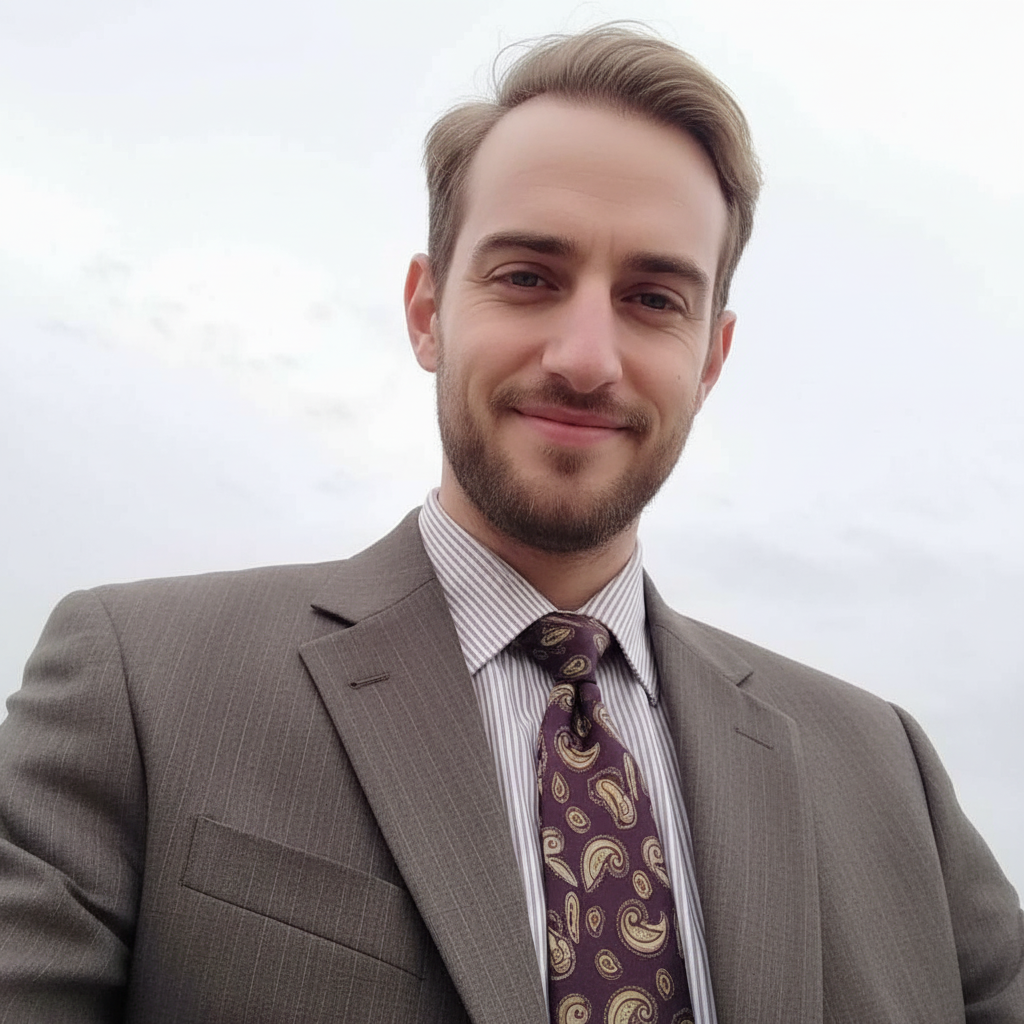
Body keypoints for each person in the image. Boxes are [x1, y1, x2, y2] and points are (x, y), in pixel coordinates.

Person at [0, 25, 1021, 1024]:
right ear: (427, 310)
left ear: (711, 358)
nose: (585, 356)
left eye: (653, 298)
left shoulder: (890, 775)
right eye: (528, 276)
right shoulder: (140, 688)